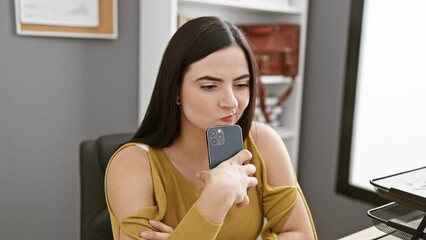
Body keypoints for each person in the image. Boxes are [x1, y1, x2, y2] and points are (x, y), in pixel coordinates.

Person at [105, 16, 317, 240]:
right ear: (176, 90)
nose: (232, 102)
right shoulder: (132, 164)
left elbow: (300, 234)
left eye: (241, 84)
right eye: (210, 86)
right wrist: (213, 202)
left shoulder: (263, 142)